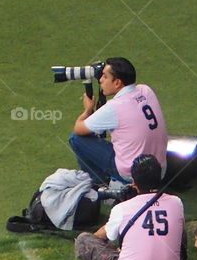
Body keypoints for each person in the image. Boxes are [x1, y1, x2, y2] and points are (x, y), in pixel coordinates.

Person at [73, 154, 185, 260]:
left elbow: (103, 236)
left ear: (133, 182)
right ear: (160, 176)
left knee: (84, 240)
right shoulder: (177, 203)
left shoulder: (122, 209)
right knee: (178, 225)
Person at [68, 57, 167, 188]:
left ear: (117, 83)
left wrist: (87, 110)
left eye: (105, 76)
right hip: (159, 170)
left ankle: (100, 184)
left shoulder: (114, 107)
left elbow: (79, 129)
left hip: (132, 175)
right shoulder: (146, 90)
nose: (100, 80)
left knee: (76, 139)